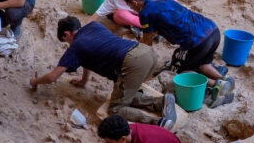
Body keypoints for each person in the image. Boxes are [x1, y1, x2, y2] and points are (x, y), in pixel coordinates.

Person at [30, 16, 177, 128]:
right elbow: (87, 58)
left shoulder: (76, 46)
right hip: (147, 53)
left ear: (67, 34)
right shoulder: (93, 26)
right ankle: (162, 102)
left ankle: (159, 122)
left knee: (116, 109)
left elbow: (52, 77)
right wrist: (83, 81)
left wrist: (35, 81)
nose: (68, 44)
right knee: (123, 95)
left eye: (66, 40)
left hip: (133, 63)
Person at [123, 0, 235, 107]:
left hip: (197, 41)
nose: (132, 9)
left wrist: (137, 56)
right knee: (204, 65)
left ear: (135, 2)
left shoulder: (145, 12)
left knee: (181, 72)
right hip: (212, 31)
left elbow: (147, 42)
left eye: (131, 6)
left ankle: (216, 85)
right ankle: (224, 80)